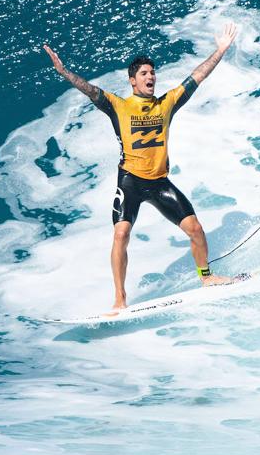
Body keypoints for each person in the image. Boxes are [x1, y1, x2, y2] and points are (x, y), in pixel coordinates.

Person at [43, 23, 239, 310]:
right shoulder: (118, 106)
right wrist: (64, 72)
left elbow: (197, 76)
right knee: (121, 234)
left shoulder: (166, 103)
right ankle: (119, 298)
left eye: (152, 73)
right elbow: (89, 90)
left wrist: (220, 50)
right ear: (133, 81)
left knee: (195, 229)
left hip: (159, 181)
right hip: (131, 182)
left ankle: (206, 277)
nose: (151, 77)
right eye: (144, 74)